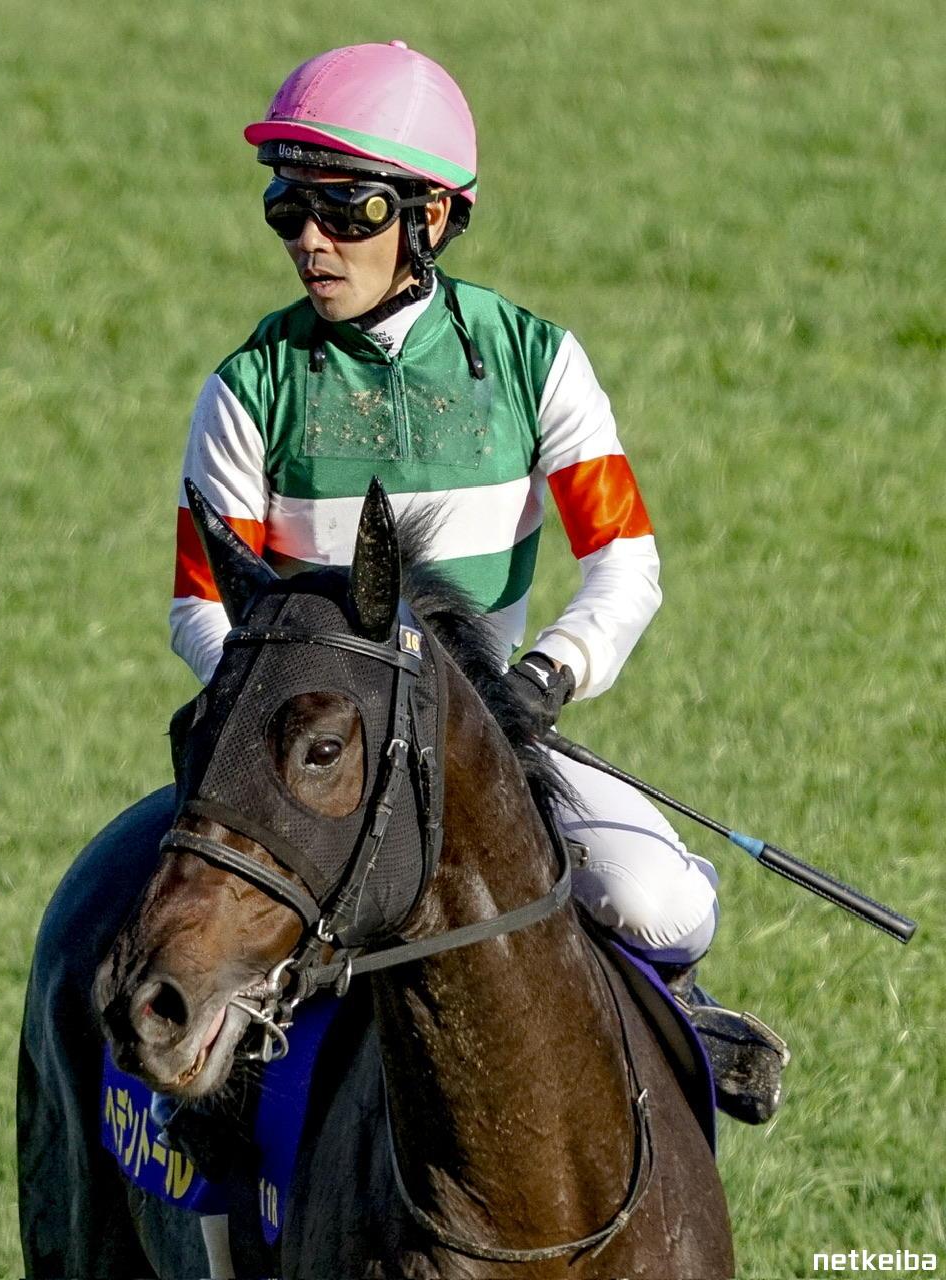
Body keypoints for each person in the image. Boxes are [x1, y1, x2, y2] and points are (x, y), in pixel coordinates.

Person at [169, 40, 785, 1124]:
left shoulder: (537, 359)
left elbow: (626, 561)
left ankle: (673, 1049)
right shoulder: (246, 388)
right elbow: (200, 606)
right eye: (287, 206)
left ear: (433, 217)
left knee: (661, 904)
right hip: (302, 762)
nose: (311, 238)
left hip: (482, 733)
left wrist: (548, 674)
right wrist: (281, 715)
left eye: (348, 208)